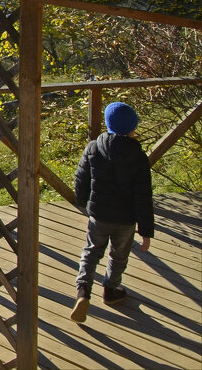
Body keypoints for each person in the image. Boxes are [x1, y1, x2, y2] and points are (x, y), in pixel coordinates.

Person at [70, 101, 154, 323]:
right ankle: (111, 290)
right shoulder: (138, 156)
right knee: (118, 254)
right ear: (132, 127)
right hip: (126, 219)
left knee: (91, 252)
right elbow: (143, 195)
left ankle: (83, 292)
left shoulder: (94, 147)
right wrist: (145, 231)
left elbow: (81, 180)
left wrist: (83, 203)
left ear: (108, 124)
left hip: (99, 214)